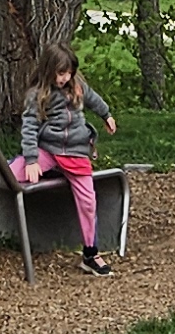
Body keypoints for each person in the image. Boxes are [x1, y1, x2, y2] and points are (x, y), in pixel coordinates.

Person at [11, 45, 115, 272]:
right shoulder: (37, 95)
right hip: (49, 149)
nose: (65, 78)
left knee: (88, 202)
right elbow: (29, 127)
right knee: (10, 175)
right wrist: (31, 160)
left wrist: (106, 115)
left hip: (75, 152)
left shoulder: (76, 87)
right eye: (60, 73)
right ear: (49, 71)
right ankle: (14, 166)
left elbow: (94, 99)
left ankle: (90, 254)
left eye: (68, 72)